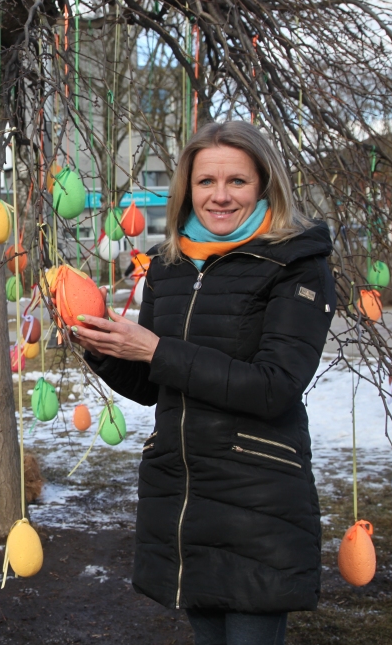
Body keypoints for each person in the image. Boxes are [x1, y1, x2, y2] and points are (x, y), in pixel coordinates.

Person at [72, 121, 335, 645]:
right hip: (183, 494)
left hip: (256, 499)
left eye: (236, 181)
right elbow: (156, 384)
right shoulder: (170, 264)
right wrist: (101, 347)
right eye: (205, 182)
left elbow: (273, 386)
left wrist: (155, 349)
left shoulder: (297, 264)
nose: (219, 196)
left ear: (263, 185)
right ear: (186, 189)